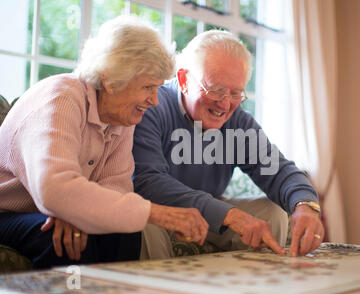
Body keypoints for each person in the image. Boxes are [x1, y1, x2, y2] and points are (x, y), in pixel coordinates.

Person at [0, 15, 208, 269]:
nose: (154, 101)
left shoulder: (120, 118)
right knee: (60, 240)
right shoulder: (61, 98)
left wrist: (78, 211)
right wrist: (159, 214)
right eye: (147, 88)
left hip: (47, 208)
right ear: (110, 79)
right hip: (7, 212)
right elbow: (54, 188)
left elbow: (116, 189)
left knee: (124, 230)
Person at [133, 30, 324, 260]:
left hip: (210, 215)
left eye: (236, 93)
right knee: (144, 221)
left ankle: (250, 292)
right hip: (162, 214)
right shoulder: (153, 105)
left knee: (272, 212)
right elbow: (147, 182)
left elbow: (277, 169)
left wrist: (305, 205)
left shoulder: (237, 121)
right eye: (215, 90)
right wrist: (229, 215)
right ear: (184, 80)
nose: (225, 104)